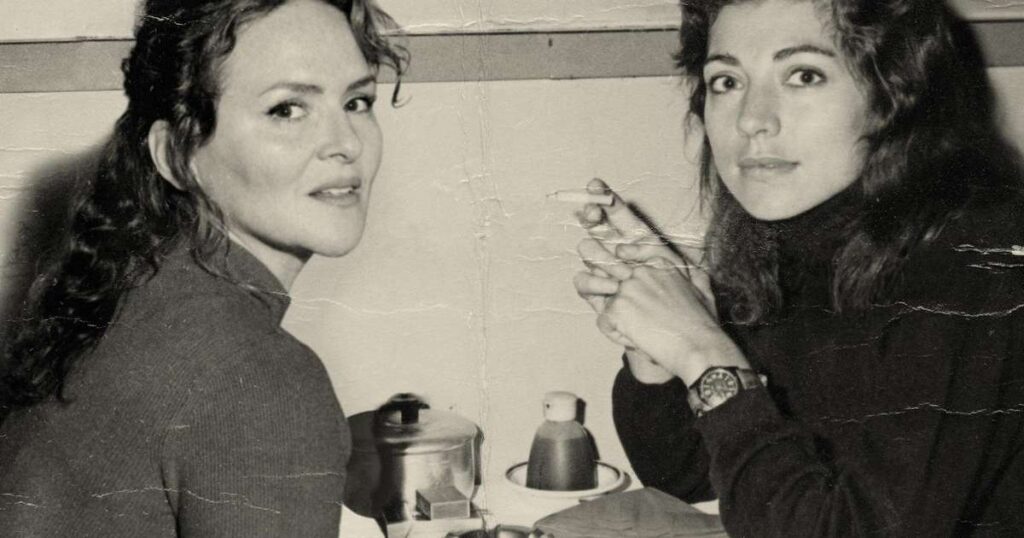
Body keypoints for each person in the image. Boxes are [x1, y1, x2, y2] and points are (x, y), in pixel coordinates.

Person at [573, 0, 1024, 535]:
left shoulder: (979, 257)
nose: (752, 120)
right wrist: (661, 350)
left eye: (803, 75)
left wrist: (704, 352)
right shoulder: (797, 231)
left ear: (893, 97)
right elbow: (691, 478)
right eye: (726, 82)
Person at [0, 0, 406, 535]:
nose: (347, 144)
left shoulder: (131, 285)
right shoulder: (258, 379)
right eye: (287, 109)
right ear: (176, 155)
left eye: (357, 101)